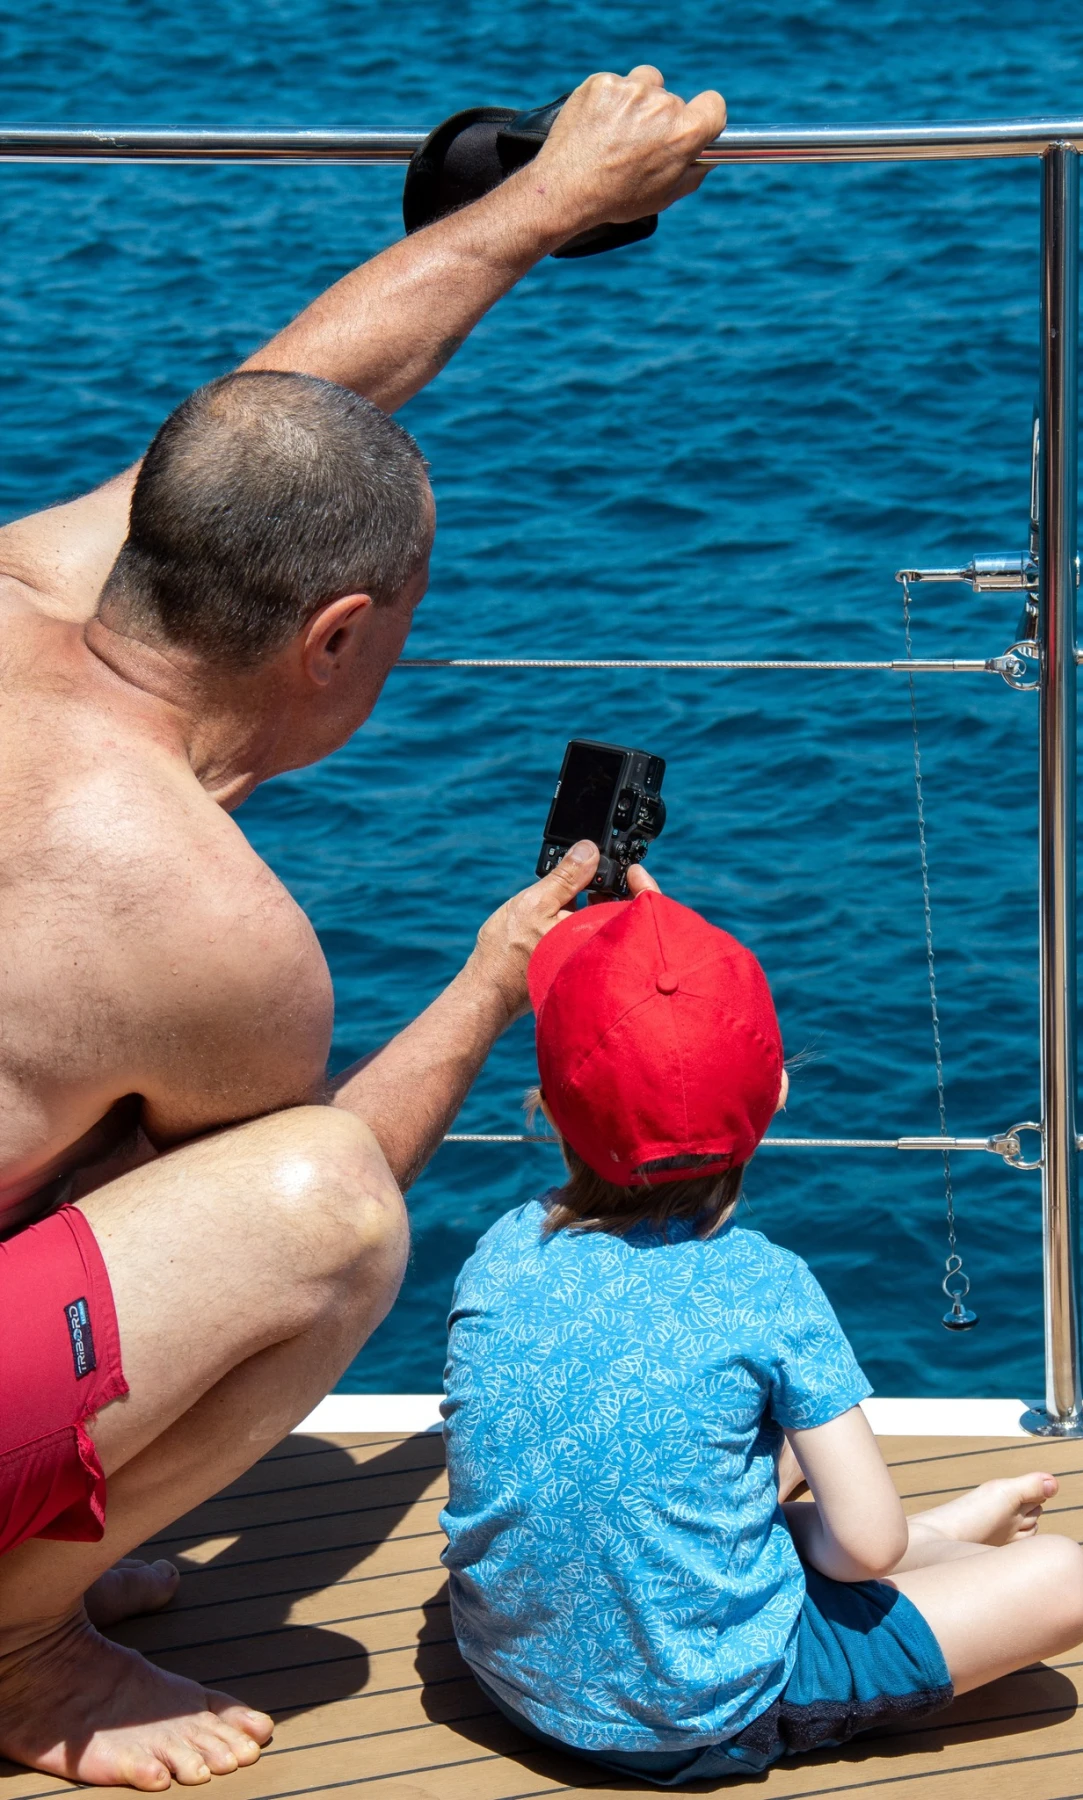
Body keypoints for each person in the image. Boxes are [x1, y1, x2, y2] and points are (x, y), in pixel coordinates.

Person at [0, 68, 726, 1792]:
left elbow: (297, 399)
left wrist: (548, 201)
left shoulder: (26, 575)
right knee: (326, 1215)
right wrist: (493, 981)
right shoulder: (209, 927)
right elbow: (280, 1213)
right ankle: (17, 1643)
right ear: (334, 639)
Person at [440, 891, 1083, 1786]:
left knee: (690, 1475)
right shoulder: (767, 1286)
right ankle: (949, 1537)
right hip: (699, 1714)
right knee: (1061, 1576)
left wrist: (630, 954)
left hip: (513, 1675)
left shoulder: (502, 1249)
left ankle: (952, 1529)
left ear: (550, 1111)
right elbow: (865, 1550)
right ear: (777, 1095)